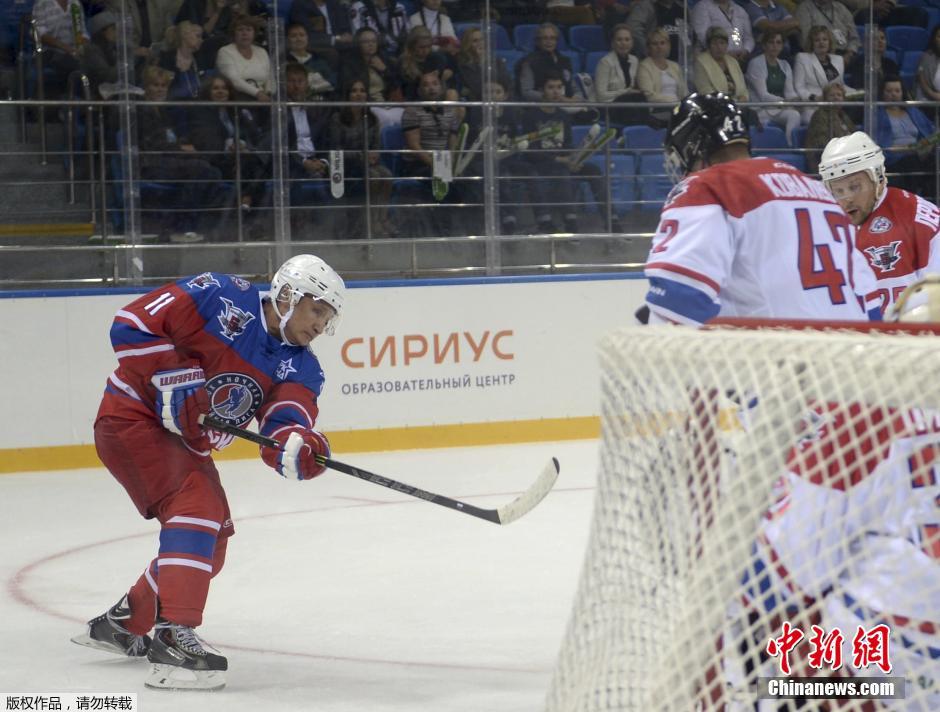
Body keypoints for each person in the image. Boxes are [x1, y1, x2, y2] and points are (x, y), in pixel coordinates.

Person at [70, 254, 343, 691]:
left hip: (183, 443)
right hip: (132, 417)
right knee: (195, 506)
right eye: (317, 311)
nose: (319, 326)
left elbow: (284, 421)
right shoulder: (221, 294)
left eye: (327, 319)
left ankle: (124, 624)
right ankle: (172, 641)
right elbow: (131, 322)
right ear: (289, 294)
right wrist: (175, 378)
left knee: (213, 540)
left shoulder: (303, 366)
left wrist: (297, 447)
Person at [642, 91, 879, 325]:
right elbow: (871, 303)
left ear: (694, 148)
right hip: (847, 352)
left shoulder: (707, 187)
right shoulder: (817, 191)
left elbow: (676, 295)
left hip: (778, 357)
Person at [818, 130, 940, 316]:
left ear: (879, 179)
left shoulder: (919, 220)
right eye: (838, 191)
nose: (846, 200)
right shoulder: (827, 226)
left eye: (854, 187)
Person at [189, 75, 269, 219]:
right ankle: (248, 205)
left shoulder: (236, 111)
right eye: (216, 88)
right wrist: (229, 145)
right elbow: (205, 141)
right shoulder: (200, 113)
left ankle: (247, 203)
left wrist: (242, 144)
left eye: (224, 88)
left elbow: (252, 136)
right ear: (208, 91)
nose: (221, 92)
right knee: (253, 165)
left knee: (256, 162)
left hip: (241, 159)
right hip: (217, 159)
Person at [326, 79, 395, 238]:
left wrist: (373, 154)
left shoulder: (372, 119)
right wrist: (362, 155)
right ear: (348, 95)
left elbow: (376, 145)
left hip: (368, 162)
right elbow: (336, 150)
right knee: (375, 177)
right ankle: (371, 222)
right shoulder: (338, 119)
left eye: (362, 90)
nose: (359, 94)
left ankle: (381, 218)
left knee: (387, 175)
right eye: (354, 91)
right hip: (347, 164)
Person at [399, 69, 461, 236]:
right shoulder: (412, 111)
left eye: (435, 84)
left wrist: (451, 162)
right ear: (419, 90)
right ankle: (440, 231)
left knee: (467, 180)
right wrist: (436, 164)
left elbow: (453, 141)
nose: (431, 88)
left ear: (441, 87)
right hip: (418, 163)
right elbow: (414, 145)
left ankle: (458, 229)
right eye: (425, 85)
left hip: (444, 162)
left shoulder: (449, 110)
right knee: (441, 181)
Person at [874, 75, 939, 205]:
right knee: (912, 161)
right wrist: (904, 150)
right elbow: (876, 143)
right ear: (883, 93)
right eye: (889, 91)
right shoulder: (877, 115)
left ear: (902, 92)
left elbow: (931, 131)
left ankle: (934, 204)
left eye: (897, 91)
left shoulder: (913, 111)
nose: (894, 94)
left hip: (920, 153)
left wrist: (928, 143)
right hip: (894, 157)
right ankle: (911, 204)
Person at [745, 30, 802, 145]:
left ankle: (790, 146)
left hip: (779, 108)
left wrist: (796, 99)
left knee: (795, 115)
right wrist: (784, 101)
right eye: (771, 42)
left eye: (778, 43)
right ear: (764, 45)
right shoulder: (755, 63)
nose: (775, 46)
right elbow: (763, 95)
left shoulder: (785, 65)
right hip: (761, 108)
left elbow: (789, 92)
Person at [793, 25, 854, 124]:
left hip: (834, 105)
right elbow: (799, 87)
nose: (821, 42)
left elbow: (840, 85)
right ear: (812, 43)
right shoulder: (802, 58)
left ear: (829, 42)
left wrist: (857, 93)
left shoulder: (838, 59)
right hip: (813, 106)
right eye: (817, 40)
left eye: (825, 39)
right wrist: (814, 97)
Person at [594, 24, 647, 126]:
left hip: (628, 105)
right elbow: (601, 96)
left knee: (641, 98)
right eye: (619, 40)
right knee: (631, 100)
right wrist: (626, 92)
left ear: (632, 43)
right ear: (613, 43)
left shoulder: (634, 60)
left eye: (627, 40)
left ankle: (642, 129)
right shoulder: (605, 62)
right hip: (609, 106)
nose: (623, 43)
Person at [636, 27, 688, 128]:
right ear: (648, 47)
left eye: (662, 43)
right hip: (657, 110)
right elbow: (649, 95)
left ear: (668, 45)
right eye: (655, 44)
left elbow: (684, 93)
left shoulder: (675, 66)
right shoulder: (644, 66)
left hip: (677, 108)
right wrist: (674, 101)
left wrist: (683, 103)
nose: (659, 47)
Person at [215, 13, 272, 102]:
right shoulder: (225, 52)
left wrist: (269, 94)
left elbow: (270, 78)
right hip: (237, 99)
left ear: (254, 33)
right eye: (240, 30)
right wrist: (258, 93)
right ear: (234, 33)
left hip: (263, 100)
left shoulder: (262, 52)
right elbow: (234, 80)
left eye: (249, 30)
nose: (244, 33)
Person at [516, 22, 577, 105]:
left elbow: (574, 88)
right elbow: (526, 92)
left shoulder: (565, 61)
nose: (549, 41)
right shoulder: (529, 62)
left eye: (552, 38)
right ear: (537, 41)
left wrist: (576, 98)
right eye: (545, 38)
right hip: (542, 106)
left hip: (568, 104)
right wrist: (553, 98)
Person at [804, 80, 854, 172]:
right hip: (824, 160)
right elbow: (821, 142)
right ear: (825, 98)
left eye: (839, 95)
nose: (836, 98)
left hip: (845, 158)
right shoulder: (820, 115)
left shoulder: (844, 116)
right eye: (832, 95)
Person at [693, 26, 750, 107]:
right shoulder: (701, 62)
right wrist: (729, 104)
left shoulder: (732, 61)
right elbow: (705, 92)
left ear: (727, 45)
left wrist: (743, 98)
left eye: (722, 43)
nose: (719, 47)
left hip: (738, 106)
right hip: (715, 108)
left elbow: (744, 90)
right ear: (709, 46)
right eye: (715, 43)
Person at [794, 0, 859, 65]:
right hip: (819, 55)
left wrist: (848, 54)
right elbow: (807, 40)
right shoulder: (805, 8)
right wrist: (829, 57)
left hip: (845, 55)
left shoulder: (841, 8)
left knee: (863, 62)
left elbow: (854, 37)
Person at [456, 26, 511, 103]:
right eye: (475, 41)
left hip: (500, 100)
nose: (480, 43)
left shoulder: (497, 61)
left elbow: (506, 83)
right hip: (478, 103)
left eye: (482, 39)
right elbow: (477, 87)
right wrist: (481, 60)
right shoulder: (464, 65)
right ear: (468, 44)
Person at [285, 22, 337, 101]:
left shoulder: (319, 61)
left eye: (302, 35)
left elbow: (332, 82)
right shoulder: (283, 61)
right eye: (294, 36)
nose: (298, 39)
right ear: (288, 39)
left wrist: (310, 86)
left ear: (307, 38)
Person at [690, 0, 754, 62]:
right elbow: (702, 36)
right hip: (713, 59)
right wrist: (723, 52)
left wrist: (745, 50)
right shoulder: (702, 7)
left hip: (739, 59)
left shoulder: (740, 10)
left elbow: (749, 37)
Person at [844, 25, 898, 91]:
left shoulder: (891, 64)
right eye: (875, 39)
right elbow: (859, 88)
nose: (880, 41)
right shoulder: (858, 63)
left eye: (882, 38)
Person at [916, 25, 940, 103]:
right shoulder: (927, 57)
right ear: (934, 39)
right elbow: (923, 83)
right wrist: (934, 94)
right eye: (939, 36)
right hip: (931, 103)